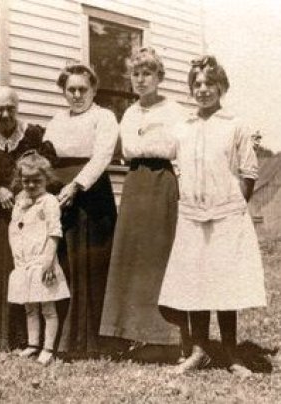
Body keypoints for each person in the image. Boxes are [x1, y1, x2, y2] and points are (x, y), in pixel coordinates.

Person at [158, 56, 266, 376]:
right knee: (196, 282)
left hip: (226, 215)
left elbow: (248, 172)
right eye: (197, 84)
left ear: (222, 87)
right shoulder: (183, 128)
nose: (203, 89)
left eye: (210, 83)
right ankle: (200, 350)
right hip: (192, 214)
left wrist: (233, 209)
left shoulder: (235, 125)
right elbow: (175, 167)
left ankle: (232, 353)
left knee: (225, 282)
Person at [99, 47, 189, 358]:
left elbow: (181, 149)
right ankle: (130, 333)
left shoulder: (174, 110)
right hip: (134, 181)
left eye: (147, 73)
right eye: (135, 74)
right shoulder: (129, 112)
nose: (140, 79)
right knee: (132, 256)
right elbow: (127, 149)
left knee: (158, 257)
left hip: (161, 180)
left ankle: (165, 338)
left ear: (159, 77)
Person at [0, 86, 55, 350]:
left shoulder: (33, 135)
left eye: (11, 108)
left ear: (18, 108)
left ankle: (25, 338)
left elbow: (49, 165)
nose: (5, 114)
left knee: (25, 270)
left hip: (28, 216)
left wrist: (23, 193)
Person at [44, 63, 119, 355]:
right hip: (60, 193)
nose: (77, 95)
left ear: (94, 89)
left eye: (82, 89)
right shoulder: (57, 119)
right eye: (70, 90)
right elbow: (48, 155)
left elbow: (101, 157)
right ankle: (63, 335)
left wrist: (76, 186)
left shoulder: (105, 117)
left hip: (91, 193)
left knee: (90, 263)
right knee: (64, 260)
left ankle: (91, 339)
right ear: (63, 91)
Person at [7, 151, 70, 365]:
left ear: (47, 179)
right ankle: (33, 344)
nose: (31, 185)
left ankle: (48, 348)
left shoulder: (49, 202)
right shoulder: (20, 202)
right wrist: (18, 259)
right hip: (24, 262)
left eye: (37, 181)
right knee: (30, 306)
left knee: (47, 308)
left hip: (43, 262)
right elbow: (15, 230)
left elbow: (54, 232)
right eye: (26, 181)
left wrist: (48, 261)